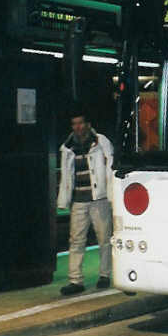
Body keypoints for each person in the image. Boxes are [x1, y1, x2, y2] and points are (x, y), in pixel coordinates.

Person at [57, 106, 114, 295]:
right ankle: (75, 280)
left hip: (99, 198)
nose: (78, 127)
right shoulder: (67, 147)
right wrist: (64, 199)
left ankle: (105, 275)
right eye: (74, 124)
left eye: (81, 123)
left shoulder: (101, 142)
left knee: (104, 238)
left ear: (88, 125)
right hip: (79, 200)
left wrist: (111, 194)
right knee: (76, 240)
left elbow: (111, 167)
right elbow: (66, 175)